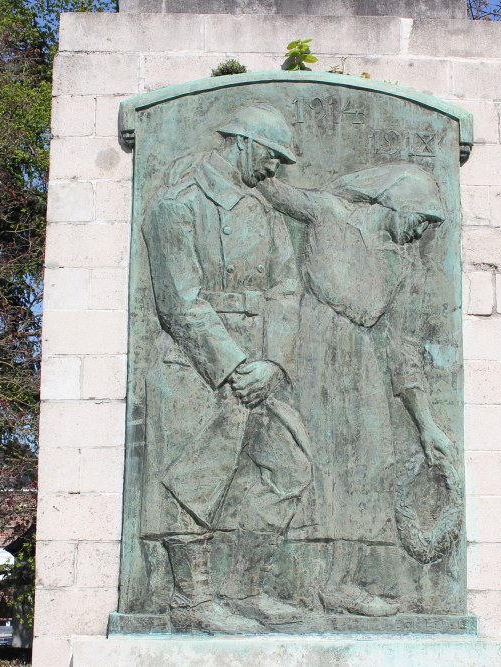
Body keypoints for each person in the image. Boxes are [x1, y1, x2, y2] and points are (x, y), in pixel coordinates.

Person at [141, 103, 311, 632]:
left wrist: (272, 363)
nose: (273, 170)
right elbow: (179, 301)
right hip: (197, 368)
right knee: (194, 484)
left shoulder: (262, 210)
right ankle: (191, 602)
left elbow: (286, 289)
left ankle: (247, 589)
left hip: (258, 370)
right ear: (241, 142)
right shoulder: (178, 203)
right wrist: (235, 366)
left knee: (290, 468)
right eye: (270, 157)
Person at [258, 164, 456, 616]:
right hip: (311, 346)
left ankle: (340, 583)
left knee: (369, 467)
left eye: (431, 224)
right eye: (422, 217)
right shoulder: (331, 213)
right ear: (397, 201)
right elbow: (274, 190)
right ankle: (275, 580)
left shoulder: (402, 266)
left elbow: (402, 347)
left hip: (362, 360)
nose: (423, 230)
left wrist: (427, 426)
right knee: (305, 462)